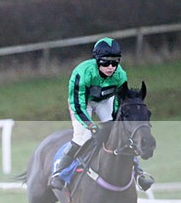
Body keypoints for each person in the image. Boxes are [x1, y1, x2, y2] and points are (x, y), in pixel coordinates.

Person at [49, 37, 154, 191]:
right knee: (82, 136)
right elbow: (78, 106)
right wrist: (91, 126)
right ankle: (59, 174)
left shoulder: (120, 76)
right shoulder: (82, 73)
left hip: (104, 101)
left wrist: (115, 123)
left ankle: (138, 172)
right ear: (97, 60)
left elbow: (119, 104)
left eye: (115, 62)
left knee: (122, 132)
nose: (111, 67)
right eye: (105, 62)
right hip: (82, 103)